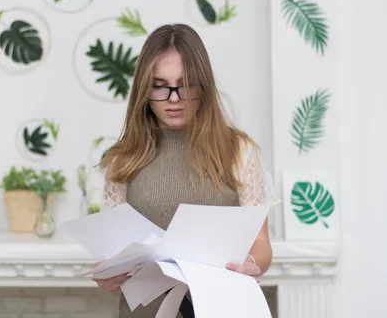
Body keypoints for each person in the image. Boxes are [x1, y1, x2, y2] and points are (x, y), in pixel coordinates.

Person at [95, 23, 278, 317]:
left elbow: (260, 243)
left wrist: (252, 263)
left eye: (185, 84)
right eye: (160, 85)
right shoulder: (123, 158)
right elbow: (114, 252)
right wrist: (108, 274)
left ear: (203, 86)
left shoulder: (238, 150)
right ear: (144, 88)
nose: (174, 98)